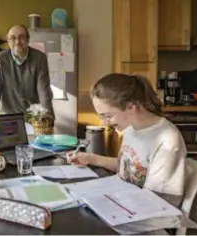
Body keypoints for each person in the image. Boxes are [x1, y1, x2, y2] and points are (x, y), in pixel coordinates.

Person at [67, 73, 186, 207]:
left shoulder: (166, 138)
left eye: (108, 116)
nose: (105, 123)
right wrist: (90, 158)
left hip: (152, 212)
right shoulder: (130, 129)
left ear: (131, 107)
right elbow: (126, 166)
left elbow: (156, 199)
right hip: (127, 200)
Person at [0, 24, 54, 119]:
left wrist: (48, 117)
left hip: (33, 117)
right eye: (12, 38)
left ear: (28, 39)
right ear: (8, 41)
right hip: (9, 118)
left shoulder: (39, 58)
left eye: (21, 37)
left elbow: (43, 90)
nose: (17, 42)